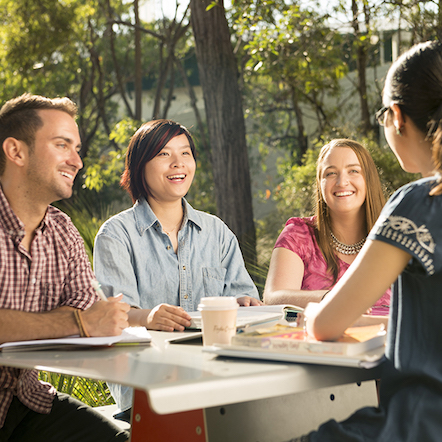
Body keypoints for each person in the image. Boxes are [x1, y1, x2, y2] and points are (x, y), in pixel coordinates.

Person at [290, 41, 442, 441]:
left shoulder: (416, 204)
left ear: (395, 116)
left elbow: (325, 325)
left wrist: (307, 316)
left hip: (418, 425)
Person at [93, 118, 260, 419]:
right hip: (148, 393)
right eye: (163, 154)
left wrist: (246, 305)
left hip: (217, 383)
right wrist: (148, 317)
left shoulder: (217, 232)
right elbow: (112, 318)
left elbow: (245, 301)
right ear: (140, 166)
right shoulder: (116, 235)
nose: (178, 164)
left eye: (185, 153)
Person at [0, 94, 130, 441]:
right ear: (16, 151)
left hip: (25, 400)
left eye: (77, 148)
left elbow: (93, 313)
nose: (77, 161)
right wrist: (74, 321)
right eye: (62, 145)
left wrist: (84, 320)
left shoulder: (62, 230)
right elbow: (84, 320)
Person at [264, 139, 390, 315]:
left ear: (369, 179)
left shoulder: (395, 237)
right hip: (320, 340)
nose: (342, 181)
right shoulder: (298, 235)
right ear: (320, 184)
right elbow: (273, 298)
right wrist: (332, 298)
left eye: (353, 171)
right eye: (330, 173)